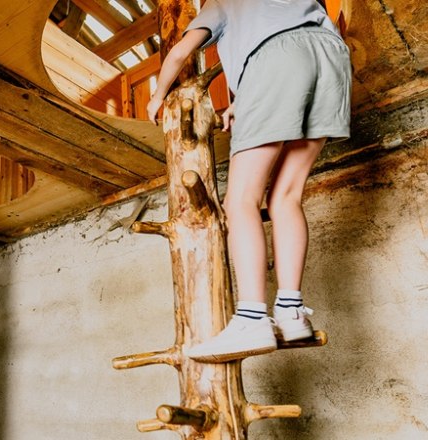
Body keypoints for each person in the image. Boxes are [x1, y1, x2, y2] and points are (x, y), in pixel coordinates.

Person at [146, 0, 351, 362]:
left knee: (240, 200)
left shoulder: (222, 3)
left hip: (275, 61)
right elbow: (293, 43)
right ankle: (291, 312)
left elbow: (179, 52)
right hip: (331, 55)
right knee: (286, 196)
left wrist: (158, 95)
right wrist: (243, 99)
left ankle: (251, 317)